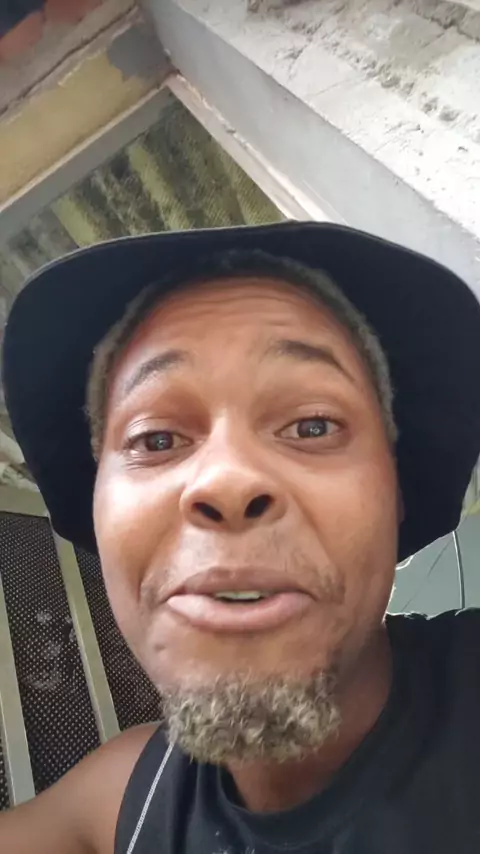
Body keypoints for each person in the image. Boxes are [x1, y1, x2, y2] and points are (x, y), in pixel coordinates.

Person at [2, 220, 480, 854]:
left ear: (396, 491)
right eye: (157, 439)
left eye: (312, 426)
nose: (227, 481)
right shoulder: (120, 805)